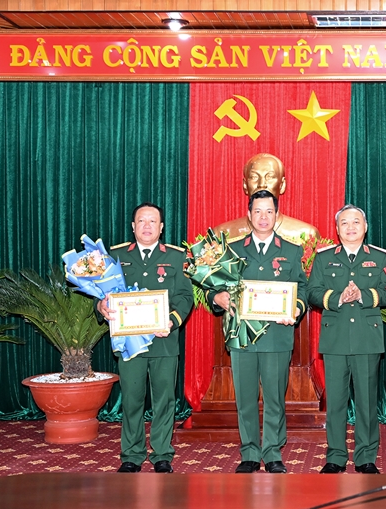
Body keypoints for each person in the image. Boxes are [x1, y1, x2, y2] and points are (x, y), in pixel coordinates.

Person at [210, 190, 308, 474]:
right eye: (258, 211)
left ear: (277, 215)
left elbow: (302, 288)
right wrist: (217, 298)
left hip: (277, 336)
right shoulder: (232, 250)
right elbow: (214, 285)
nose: (263, 217)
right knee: (245, 398)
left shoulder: (291, 250)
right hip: (242, 336)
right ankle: (250, 453)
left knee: (275, 397)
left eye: (269, 211)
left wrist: (296, 308)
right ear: (249, 214)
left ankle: (273, 452)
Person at [97, 202, 194, 473]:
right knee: (132, 399)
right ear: (133, 226)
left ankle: (162, 453)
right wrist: (101, 306)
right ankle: (131, 454)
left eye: (153, 221)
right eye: (142, 221)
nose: (147, 226)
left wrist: (172, 320)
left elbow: (185, 296)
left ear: (161, 227)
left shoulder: (176, 257)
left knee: (164, 399)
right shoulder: (116, 256)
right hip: (130, 342)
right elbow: (101, 293)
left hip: (164, 340)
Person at [307, 205, 386, 474]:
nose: (351, 227)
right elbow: (312, 292)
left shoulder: (380, 257)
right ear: (337, 229)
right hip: (335, 338)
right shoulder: (324, 258)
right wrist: (338, 298)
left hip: (367, 338)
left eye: (356, 222)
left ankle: (366, 457)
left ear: (365, 227)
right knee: (335, 402)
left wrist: (362, 296)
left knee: (367, 401)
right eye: (344, 223)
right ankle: (335, 456)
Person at [215, 153, 319, 241]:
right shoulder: (221, 235)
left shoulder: (307, 235)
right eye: (254, 177)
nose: (262, 184)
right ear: (245, 185)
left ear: (282, 185)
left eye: (270, 177)